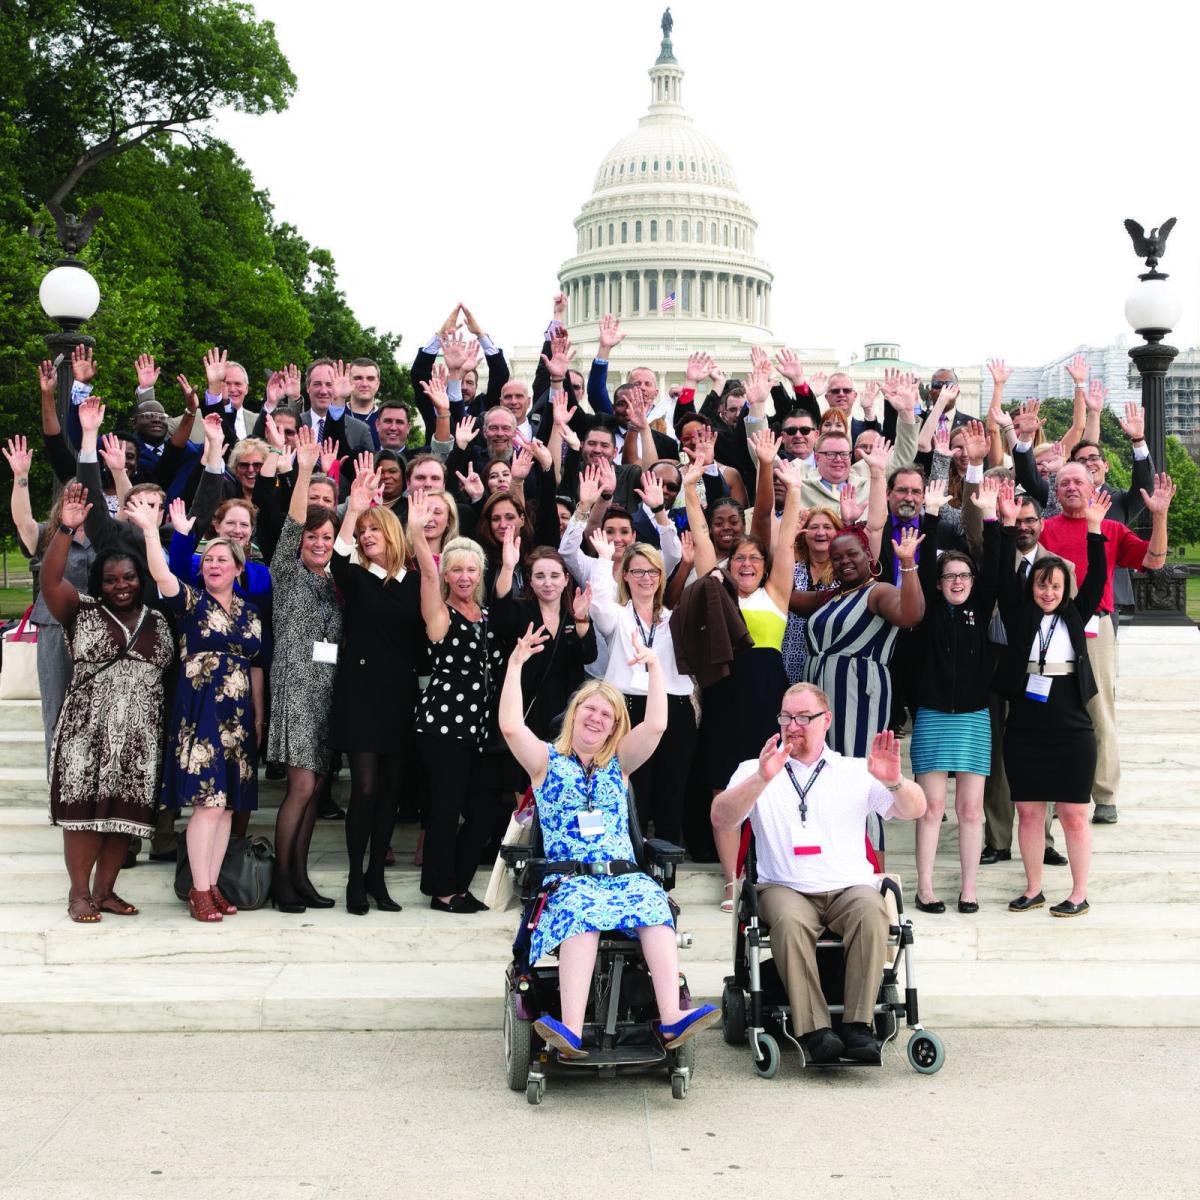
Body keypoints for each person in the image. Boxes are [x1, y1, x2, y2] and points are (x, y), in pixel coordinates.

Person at [498, 628, 720, 1058]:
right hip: (569, 882)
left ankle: (671, 1017)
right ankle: (572, 1030)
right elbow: (510, 726)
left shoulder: (617, 765)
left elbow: (656, 725)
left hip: (622, 878)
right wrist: (515, 666)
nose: (597, 718)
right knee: (583, 915)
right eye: (590, 709)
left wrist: (655, 666)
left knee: (655, 905)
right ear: (575, 712)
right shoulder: (546, 761)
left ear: (615, 726)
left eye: (608, 715)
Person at [711, 684, 926, 1064]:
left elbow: (915, 809)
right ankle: (814, 1030)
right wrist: (761, 778)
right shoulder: (756, 768)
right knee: (790, 922)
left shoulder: (855, 770)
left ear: (825, 720)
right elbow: (721, 818)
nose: (793, 725)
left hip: (848, 886)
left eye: (803, 717)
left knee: (873, 909)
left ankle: (859, 1025)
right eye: (786, 716)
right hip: (784, 887)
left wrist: (894, 781)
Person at [40, 483, 174, 922]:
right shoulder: (82, 611)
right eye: (111, 579)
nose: (121, 586)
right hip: (85, 729)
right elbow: (50, 580)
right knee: (83, 815)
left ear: (141, 580)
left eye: (129, 578)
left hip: (140, 734)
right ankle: (79, 894)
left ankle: (106, 891)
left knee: (125, 816)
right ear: (99, 582)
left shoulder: (159, 619)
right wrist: (66, 529)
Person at [131, 488, 264, 924]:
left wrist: (258, 717)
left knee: (227, 806)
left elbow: (256, 667)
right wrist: (153, 533)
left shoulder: (250, 612)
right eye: (208, 559)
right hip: (201, 710)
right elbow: (160, 573)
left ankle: (214, 884)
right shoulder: (192, 601)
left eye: (222, 560)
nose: (213, 565)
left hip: (239, 716)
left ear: (239, 568)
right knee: (207, 804)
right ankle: (199, 889)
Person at [996, 485, 1127, 917]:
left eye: (1055, 586)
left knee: (1073, 814)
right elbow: (1001, 576)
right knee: (1029, 813)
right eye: (1041, 585)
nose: (1048, 592)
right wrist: (1007, 524)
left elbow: (1095, 578)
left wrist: (1093, 527)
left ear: (1065, 588)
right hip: (1026, 729)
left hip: (1071, 728)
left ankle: (1077, 892)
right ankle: (1033, 888)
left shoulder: (1075, 613)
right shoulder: (1020, 616)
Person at [685, 445, 804, 910]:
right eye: (740, 560)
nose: (748, 564)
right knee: (723, 786)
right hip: (723, 695)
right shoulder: (716, 589)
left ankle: (774, 871)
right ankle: (732, 882)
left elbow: (788, 541)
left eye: (755, 558)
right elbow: (698, 534)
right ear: (729, 566)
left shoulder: (776, 592)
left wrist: (792, 490)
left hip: (767, 695)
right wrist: (693, 489)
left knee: (773, 784)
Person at [1038, 462, 1172, 825]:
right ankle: (1049, 793)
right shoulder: (1044, 531)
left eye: (1077, 481)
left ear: (1093, 485)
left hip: (1095, 627)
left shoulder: (1111, 527)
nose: (1070, 487)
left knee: (1100, 712)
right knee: (1047, 709)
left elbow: (1153, 561)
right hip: (1050, 629)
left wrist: (1159, 517)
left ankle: (1106, 794)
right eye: (1063, 482)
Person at [331, 465, 425, 914]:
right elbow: (338, 553)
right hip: (361, 695)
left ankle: (376, 878)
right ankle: (354, 877)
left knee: (390, 793)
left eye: (374, 530)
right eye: (363, 531)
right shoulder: (354, 574)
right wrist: (354, 507)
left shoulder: (415, 583)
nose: (367, 536)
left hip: (400, 695)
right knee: (365, 789)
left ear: (392, 534)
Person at [909, 478, 1004, 914]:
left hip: (973, 717)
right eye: (950, 576)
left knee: (970, 810)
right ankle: (925, 888)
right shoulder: (928, 613)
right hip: (933, 716)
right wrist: (929, 514)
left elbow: (997, 571)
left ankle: (969, 889)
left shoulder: (978, 607)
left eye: (964, 575)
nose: (957, 581)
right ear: (940, 582)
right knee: (931, 809)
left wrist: (988, 517)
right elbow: (927, 567)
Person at [409, 496, 505, 914]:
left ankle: (457, 884)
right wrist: (416, 533)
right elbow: (427, 578)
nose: (464, 577)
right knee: (446, 811)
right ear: (446, 573)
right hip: (442, 727)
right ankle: (441, 891)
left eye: (471, 569)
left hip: (479, 730)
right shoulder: (441, 613)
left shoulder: (483, 614)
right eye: (456, 569)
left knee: (483, 813)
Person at [266, 427, 344, 913]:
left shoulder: (338, 580)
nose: (319, 543)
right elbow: (294, 522)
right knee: (301, 786)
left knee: (316, 789)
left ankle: (300, 875)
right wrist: (304, 468)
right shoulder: (287, 569)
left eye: (327, 536)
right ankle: (281, 879)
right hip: (295, 688)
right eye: (313, 536)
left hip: (327, 693)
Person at [588, 535, 697, 849]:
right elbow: (598, 605)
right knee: (634, 788)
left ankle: (666, 877)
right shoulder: (619, 616)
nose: (646, 578)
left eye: (652, 572)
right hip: (629, 707)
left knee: (672, 789)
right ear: (625, 576)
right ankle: (632, 863)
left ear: (661, 577)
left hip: (673, 706)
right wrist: (605, 558)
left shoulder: (674, 619)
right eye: (637, 571)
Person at [4, 437, 96, 764]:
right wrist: (21, 476)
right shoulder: (47, 535)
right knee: (56, 707)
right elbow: (22, 521)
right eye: (73, 493)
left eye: (86, 494)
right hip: (54, 629)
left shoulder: (108, 536)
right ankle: (57, 787)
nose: (79, 499)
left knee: (95, 711)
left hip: (99, 631)